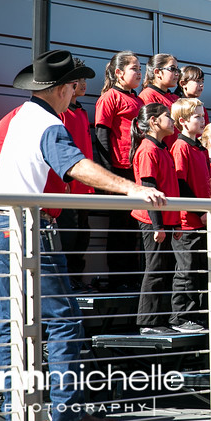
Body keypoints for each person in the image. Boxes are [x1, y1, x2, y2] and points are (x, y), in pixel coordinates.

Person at [0, 50, 166, 421]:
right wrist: (130, 188)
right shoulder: (49, 124)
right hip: (28, 229)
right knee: (64, 320)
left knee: (10, 324)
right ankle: (67, 413)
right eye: (74, 84)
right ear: (63, 89)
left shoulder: (11, 118)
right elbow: (76, 165)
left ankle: (11, 409)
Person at [129, 103, 182, 335]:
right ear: (153, 121)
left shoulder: (162, 148)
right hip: (153, 221)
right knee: (155, 269)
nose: (172, 121)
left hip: (167, 220)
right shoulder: (148, 149)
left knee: (165, 269)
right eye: (167, 117)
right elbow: (149, 188)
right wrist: (158, 226)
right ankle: (149, 322)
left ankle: (160, 319)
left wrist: (176, 222)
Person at [94, 50, 144, 289]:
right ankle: (118, 279)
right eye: (134, 68)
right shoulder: (109, 98)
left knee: (134, 226)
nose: (139, 72)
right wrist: (107, 174)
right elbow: (101, 134)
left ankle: (132, 277)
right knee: (119, 228)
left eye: (140, 68)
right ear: (119, 72)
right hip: (119, 169)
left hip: (137, 170)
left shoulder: (139, 100)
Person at [169, 98, 210, 332]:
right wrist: (199, 211)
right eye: (197, 117)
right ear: (182, 121)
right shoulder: (181, 147)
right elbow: (181, 183)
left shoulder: (198, 148)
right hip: (187, 222)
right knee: (186, 271)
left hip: (201, 219)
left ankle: (195, 316)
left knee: (197, 271)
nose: (203, 120)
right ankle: (180, 318)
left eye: (203, 116)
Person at [58, 59, 94, 289]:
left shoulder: (80, 112)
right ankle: (66, 281)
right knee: (67, 237)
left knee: (82, 235)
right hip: (67, 187)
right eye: (78, 80)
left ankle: (75, 280)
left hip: (84, 187)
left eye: (84, 80)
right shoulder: (61, 115)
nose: (83, 84)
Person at [138, 53, 181, 147]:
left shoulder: (175, 98)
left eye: (177, 69)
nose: (177, 73)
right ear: (157, 72)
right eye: (172, 69)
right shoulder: (148, 95)